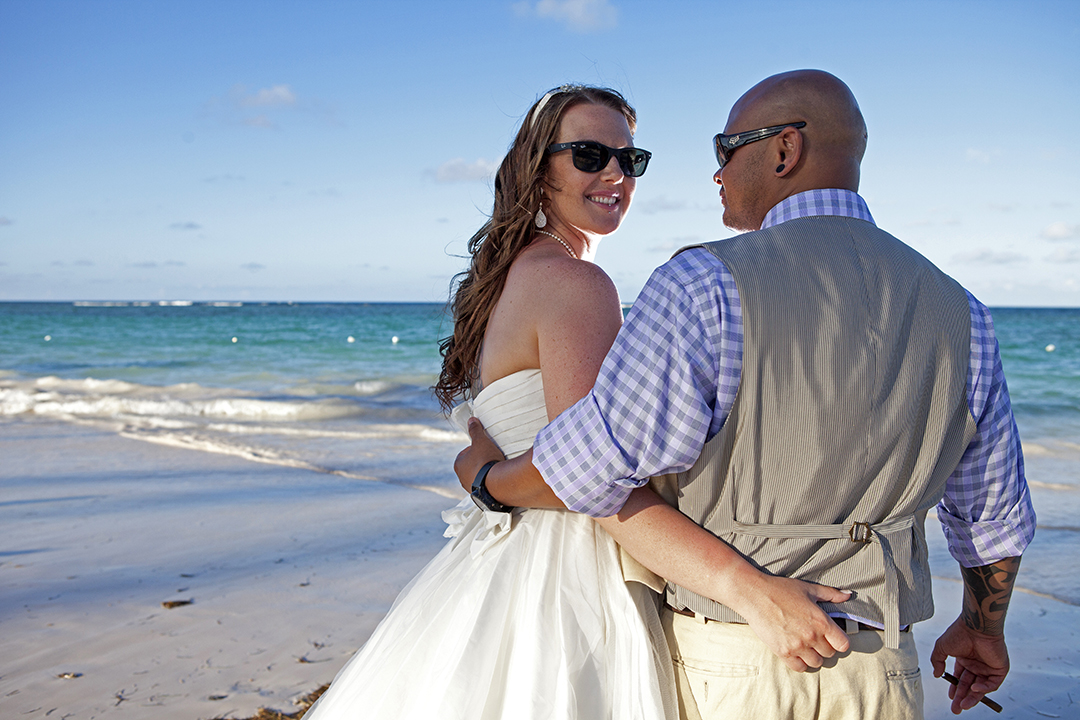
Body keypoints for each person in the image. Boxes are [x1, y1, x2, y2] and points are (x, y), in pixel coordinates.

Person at [455, 70, 1036, 719]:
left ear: (784, 150)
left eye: (724, 151)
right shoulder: (965, 312)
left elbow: (590, 470)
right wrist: (984, 629)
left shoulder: (704, 283)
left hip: (735, 661)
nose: (716, 175)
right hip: (884, 669)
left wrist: (483, 477)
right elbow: (993, 515)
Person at [304, 84, 847, 720]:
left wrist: (484, 476)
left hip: (501, 561)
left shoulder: (508, 280)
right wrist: (750, 589)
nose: (615, 173)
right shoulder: (575, 284)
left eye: (629, 159)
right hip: (568, 575)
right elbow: (591, 480)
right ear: (539, 169)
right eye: (590, 155)